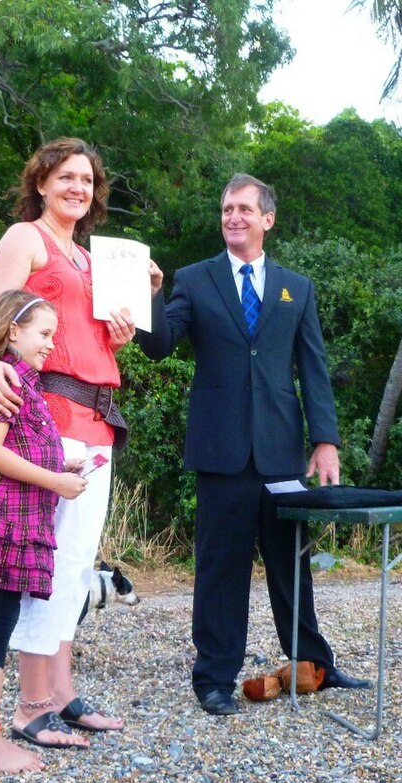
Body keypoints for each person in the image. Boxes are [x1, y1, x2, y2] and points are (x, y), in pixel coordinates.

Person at [137, 173, 371, 716]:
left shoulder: (298, 287)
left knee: (293, 564)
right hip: (221, 452)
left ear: (267, 219)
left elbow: (313, 369)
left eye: (244, 209)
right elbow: (161, 344)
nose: (233, 217)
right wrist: (148, 298)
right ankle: (214, 678)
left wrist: (326, 441)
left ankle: (315, 663)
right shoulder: (195, 280)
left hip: (281, 450)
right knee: (221, 568)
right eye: (226, 209)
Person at [0, 137, 148, 747]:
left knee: (72, 568)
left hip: (97, 417)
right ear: (41, 183)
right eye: (66, 177)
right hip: (50, 413)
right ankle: (31, 705)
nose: (78, 188)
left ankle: (63, 696)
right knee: (45, 562)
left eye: (88, 181)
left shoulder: (93, 260)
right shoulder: (28, 238)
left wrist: (127, 318)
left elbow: (90, 343)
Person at [0, 290, 89, 772]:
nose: (51, 344)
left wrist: (62, 460)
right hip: (6, 521)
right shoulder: (8, 378)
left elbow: (21, 445)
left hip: (21, 520)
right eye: (44, 333)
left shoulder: (26, 382)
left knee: (2, 623)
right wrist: (55, 480)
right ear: (14, 331)